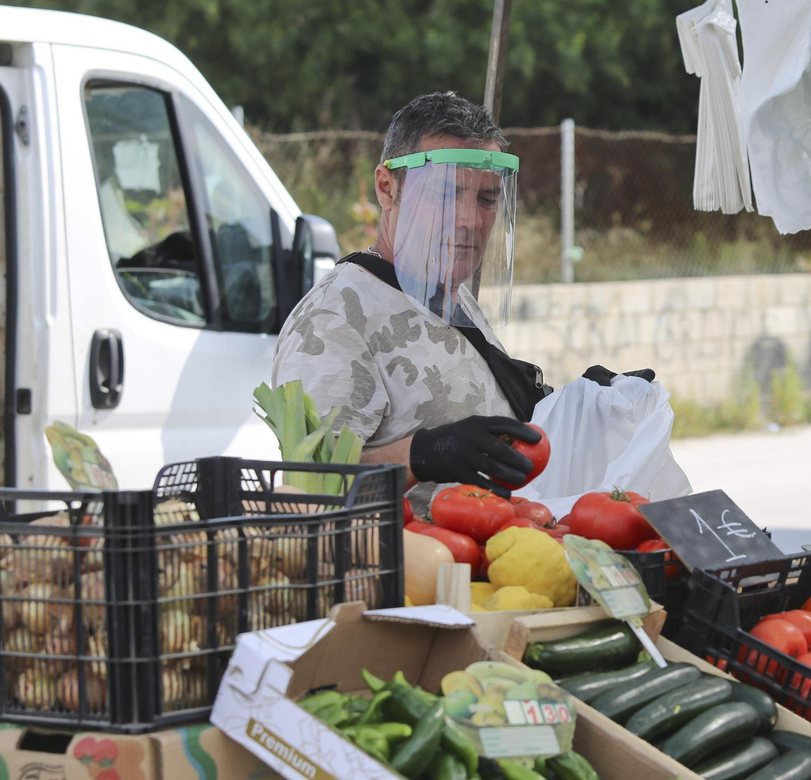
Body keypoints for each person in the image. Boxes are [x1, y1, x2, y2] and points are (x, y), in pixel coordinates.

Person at [274, 91, 646, 496]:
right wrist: (421, 454)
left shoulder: (448, 293)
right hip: (413, 557)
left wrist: (581, 406)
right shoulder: (335, 321)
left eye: (487, 198)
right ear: (387, 187)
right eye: (446, 193)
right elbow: (310, 490)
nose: (469, 220)